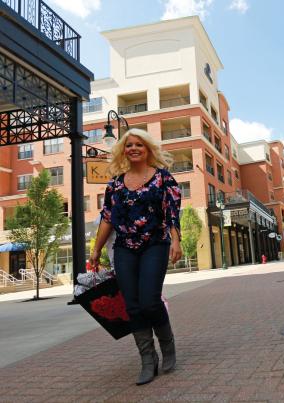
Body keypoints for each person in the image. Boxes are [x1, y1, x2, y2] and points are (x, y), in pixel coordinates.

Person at [90, 128, 183, 385]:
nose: (133, 148)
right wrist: (96, 249)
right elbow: (108, 219)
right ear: (123, 150)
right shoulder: (116, 184)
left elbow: (172, 213)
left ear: (148, 149)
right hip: (124, 247)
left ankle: (168, 345)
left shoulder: (163, 179)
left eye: (139, 145)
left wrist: (176, 240)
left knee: (150, 301)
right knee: (132, 305)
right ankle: (147, 359)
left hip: (155, 243)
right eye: (129, 145)